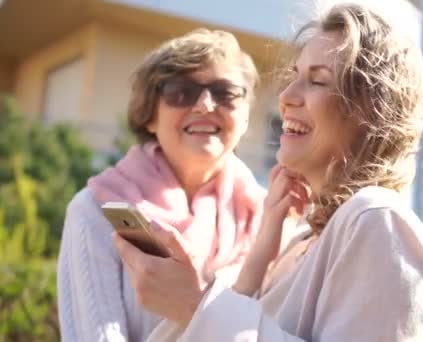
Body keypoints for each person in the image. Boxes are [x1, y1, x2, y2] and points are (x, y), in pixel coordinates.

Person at [114, 2, 423, 341]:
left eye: (317, 81)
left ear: (372, 111)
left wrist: (196, 305)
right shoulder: (303, 239)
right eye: (294, 77)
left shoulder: (378, 220)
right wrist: (259, 257)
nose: (286, 97)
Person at [57, 28, 266, 342]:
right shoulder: (95, 212)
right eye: (181, 91)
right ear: (150, 116)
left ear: (246, 116)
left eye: (225, 93)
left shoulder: (271, 220)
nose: (206, 105)